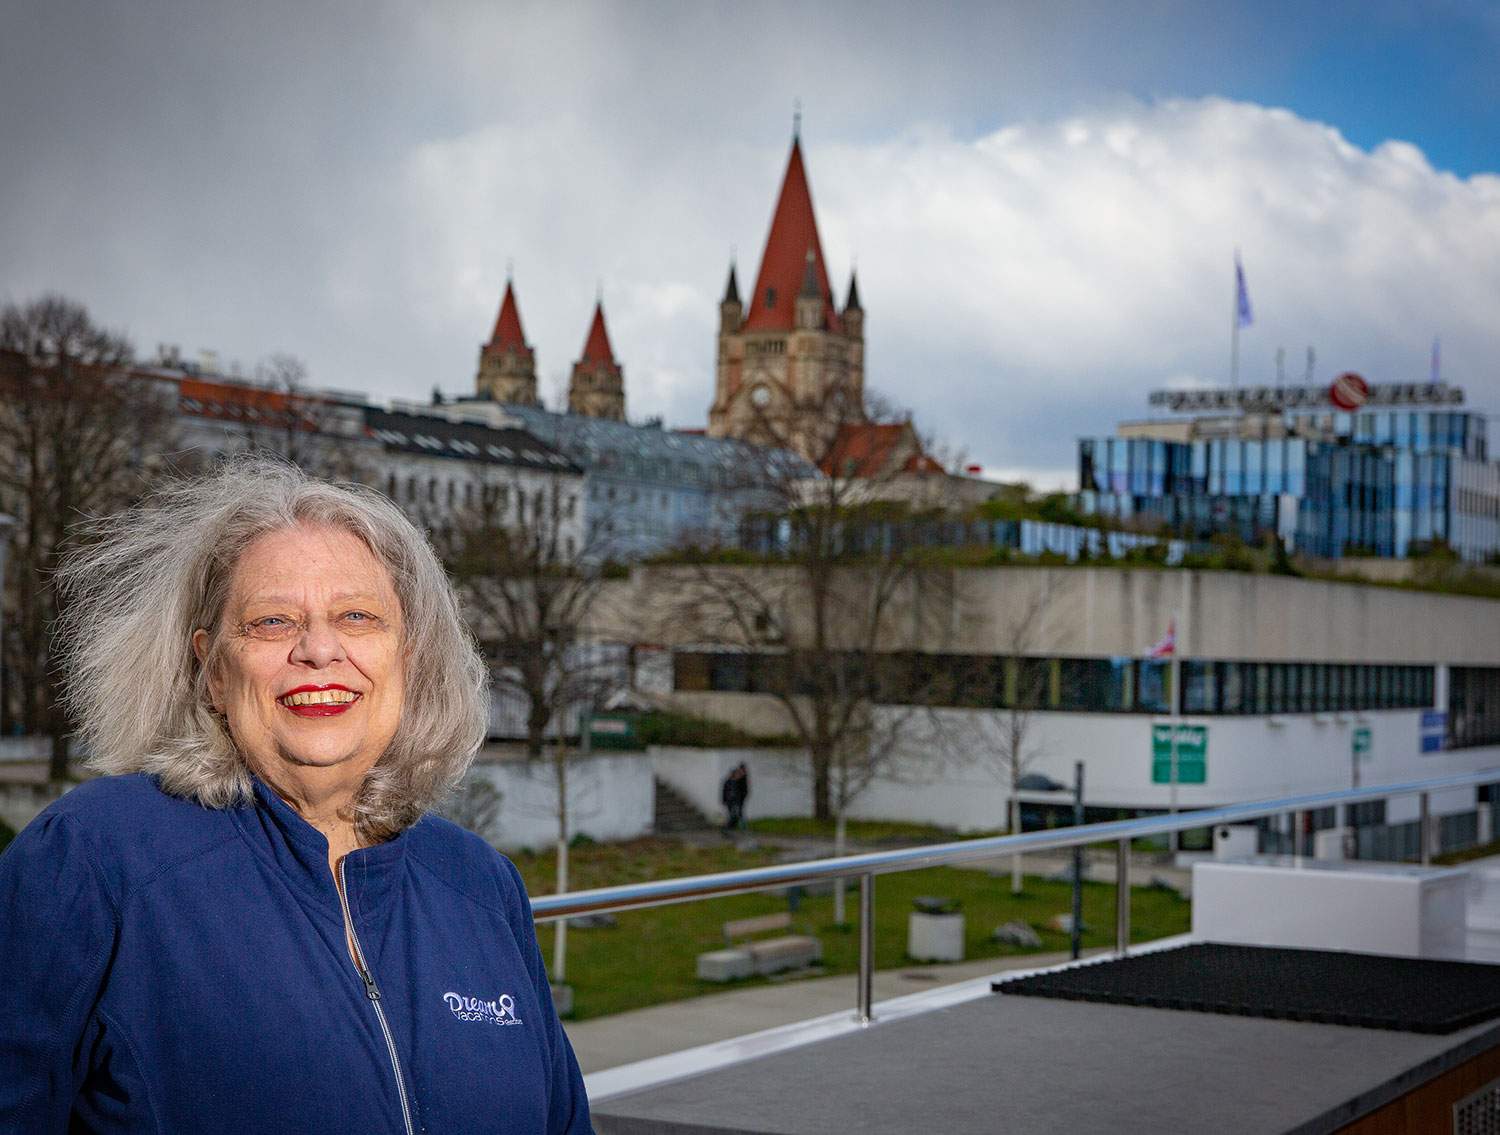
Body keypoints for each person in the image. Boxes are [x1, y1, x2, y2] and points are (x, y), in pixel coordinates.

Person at [0, 459, 591, 1133]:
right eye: (272, 621)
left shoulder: (481, 883)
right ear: (212, 670)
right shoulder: (93, 855)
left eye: (358, 616)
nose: (318, 648)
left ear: (411, 658)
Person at [721, 762, 750, 831]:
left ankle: (730, 828)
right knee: (734, 815)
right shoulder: (728, 782)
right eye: (737, 774)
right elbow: (724, 792)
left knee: (737, 815)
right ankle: (727, 828)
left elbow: (743, 790)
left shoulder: (739, 781)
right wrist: (724, 800)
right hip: (730, 801)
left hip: (736, 801)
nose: (738, 775)